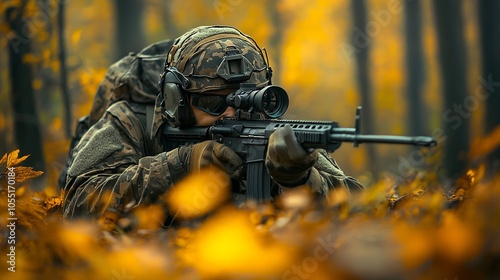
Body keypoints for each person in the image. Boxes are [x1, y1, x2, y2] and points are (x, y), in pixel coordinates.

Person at [62, 25, 363, 220]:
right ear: (176, 99)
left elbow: (358, 209)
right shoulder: (133, 120)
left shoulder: (269, 134)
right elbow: (76, 208)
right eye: (213, 102)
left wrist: (300, 180)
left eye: (247, 98)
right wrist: (179, 165)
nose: (232, 113)